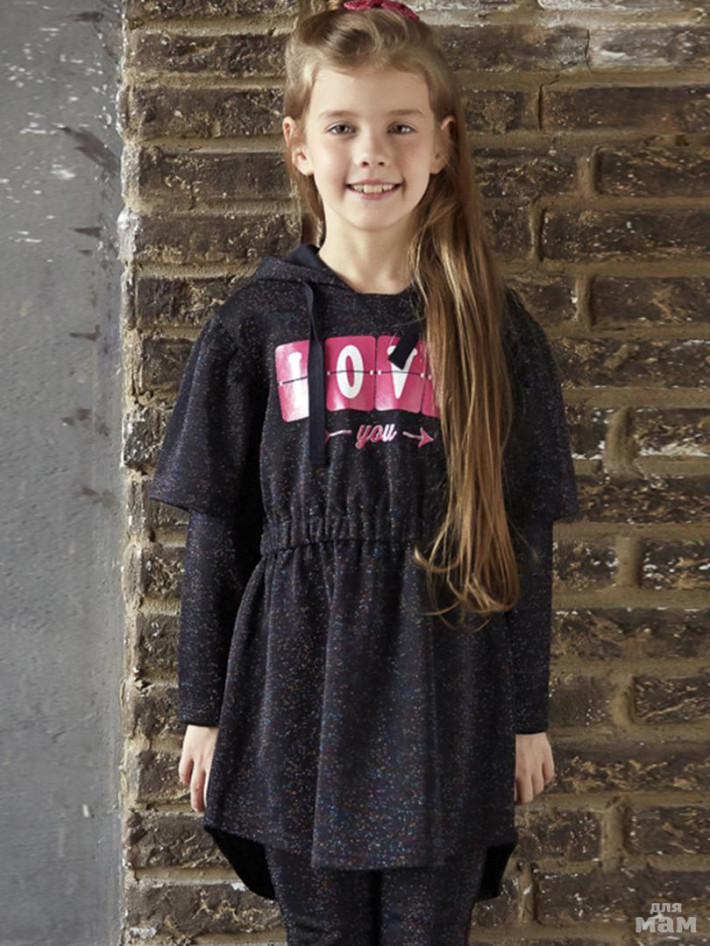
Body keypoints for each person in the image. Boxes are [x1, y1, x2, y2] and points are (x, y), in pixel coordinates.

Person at [147, 0, 581, 942]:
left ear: (443, 144)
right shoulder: (255, 324)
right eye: (343, 127)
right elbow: (217, 534)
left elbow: (526, 538)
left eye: (400, 127)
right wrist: (206, 712)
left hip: (446, 691)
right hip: (293, 693)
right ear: (300, 146)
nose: (373, 153)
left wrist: (525, 716)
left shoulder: (493, 331)